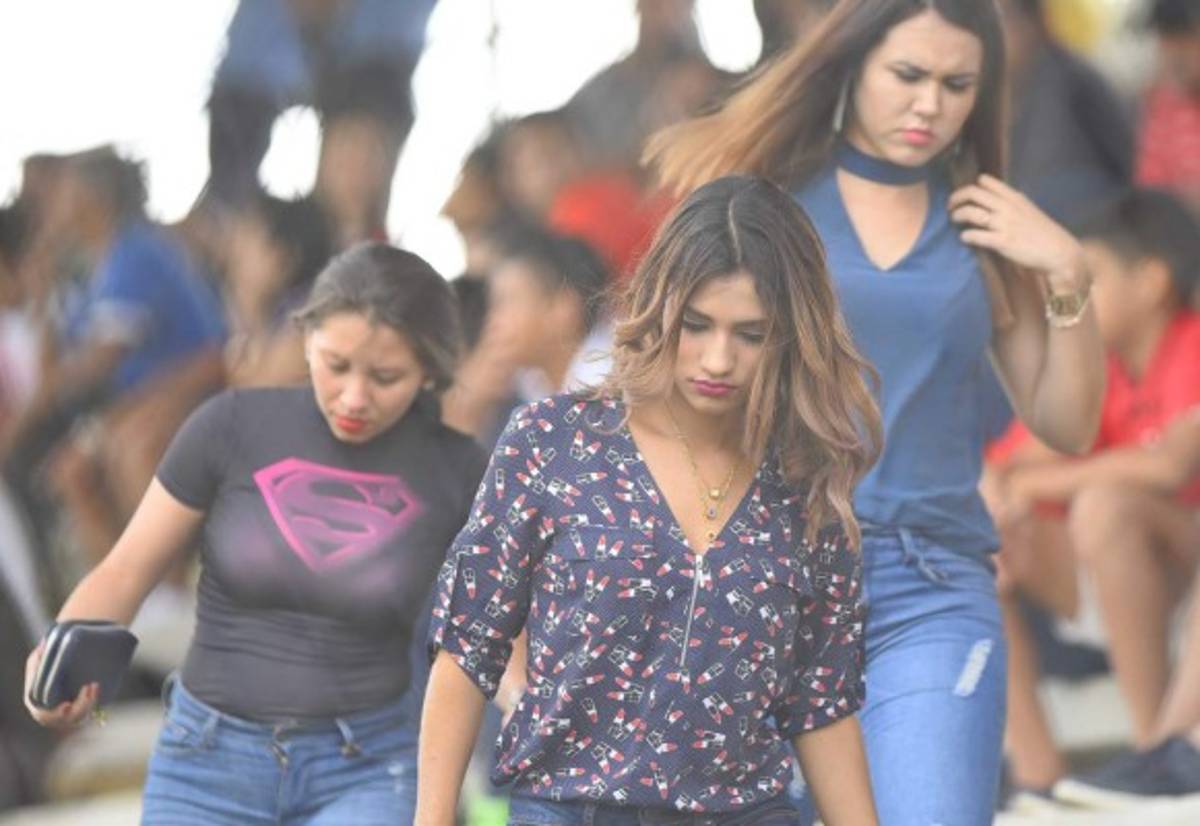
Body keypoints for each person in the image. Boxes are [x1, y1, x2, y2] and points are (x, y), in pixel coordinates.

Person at [644, 0, 1107, 821]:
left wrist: (1068, 273)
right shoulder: (763, 202)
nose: (930, 103)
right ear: (852, 65)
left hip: (931, 585)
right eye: (908, 75)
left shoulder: (986, 224)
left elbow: (1067, 424)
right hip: (769, 572)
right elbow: (673, 384)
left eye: (957, 84)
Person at [417, 175, 883, 825]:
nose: (718, 359)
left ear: (789, 335)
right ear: (659, 306)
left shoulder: (806, 479)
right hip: (569, 810)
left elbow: (822, 704)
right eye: (698, 325)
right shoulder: (554, 440)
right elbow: (467, 651)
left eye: (750, 334)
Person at [24, 242, 488, 825]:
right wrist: (59, 654)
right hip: (205, 760)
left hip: (368, 768)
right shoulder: (230, 426)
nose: (353, 397)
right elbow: (126, 569)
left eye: (386, 377)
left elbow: (493, 637)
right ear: (306, 338)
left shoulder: (460, 469)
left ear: (428, 373)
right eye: (335, 364)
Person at [983, 187, 1200, 801]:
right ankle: (1036, 773)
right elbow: (1007, 466)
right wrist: (1009, 490)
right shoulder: (1099, 364)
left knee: (1107, 506)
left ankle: (1156, 747)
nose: (1073, 293)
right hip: (1114, 570)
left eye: (1094, 275)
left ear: (1152, 279)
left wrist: (1036, 483)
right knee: (978, 539)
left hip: (1183, 570)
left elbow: (1168, 468)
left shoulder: (1190, 341)